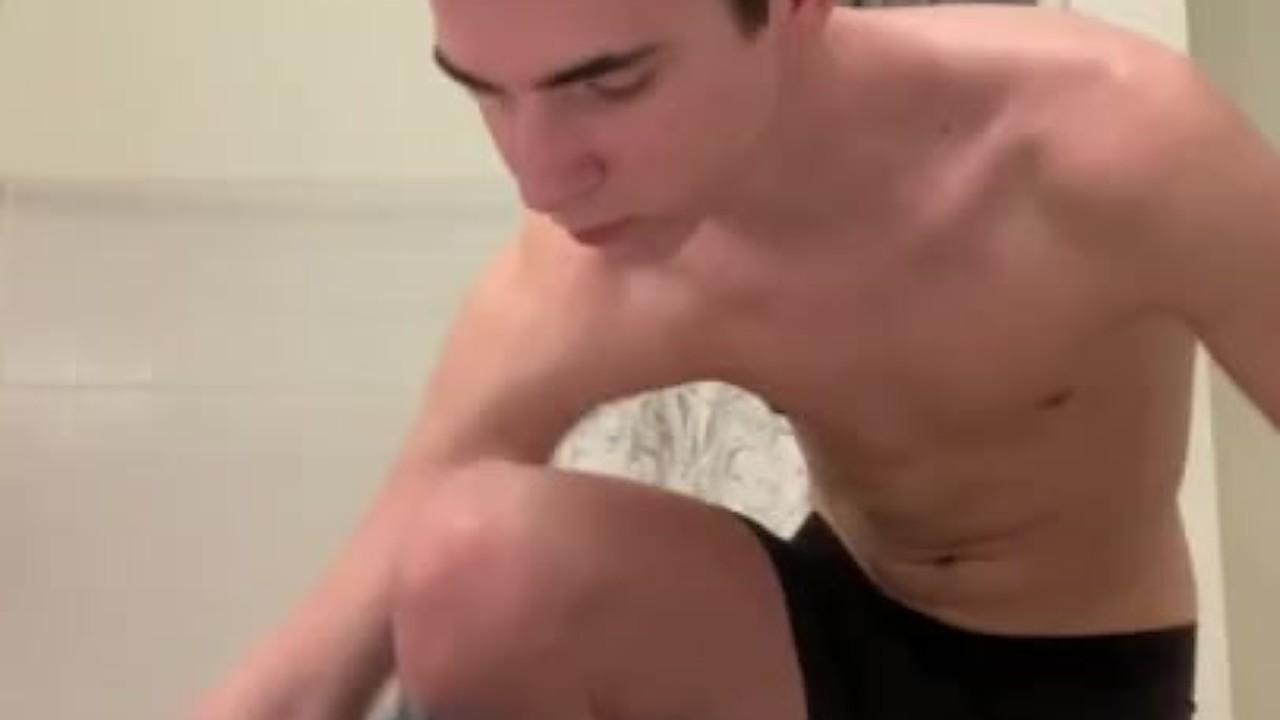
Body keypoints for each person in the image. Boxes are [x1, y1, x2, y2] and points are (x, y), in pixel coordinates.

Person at [190, 1, 1280, 719]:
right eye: (484, 91)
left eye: (609, 84)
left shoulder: (1115, 145)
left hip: (1086, 677)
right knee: (471, 563)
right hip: (812, 652)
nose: (539, 176)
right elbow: (306, 676)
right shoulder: (577, 282)